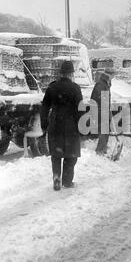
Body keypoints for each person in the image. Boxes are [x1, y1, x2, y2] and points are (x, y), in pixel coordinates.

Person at [41, 61, 83, 191]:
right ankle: (67, 181)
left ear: (60, 73)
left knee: (56, 154)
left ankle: (56, 177)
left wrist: (44, 124)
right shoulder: (75, 88)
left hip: (55, 124)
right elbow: (80, 110)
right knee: (70, 156)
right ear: (71, 74)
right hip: (71, 126)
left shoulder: (52, 87)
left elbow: (44, 107)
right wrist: (81, 127)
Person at [90, 71, 112, 156]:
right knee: (104, 130)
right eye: (112, 76)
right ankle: (100, 150)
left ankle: (103, 147)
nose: (113, 78)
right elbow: (99, 97)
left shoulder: (106, 84)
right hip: (99, 110)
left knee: (106, 130)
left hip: (103, 109)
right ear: (109, 75)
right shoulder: (100, 85)